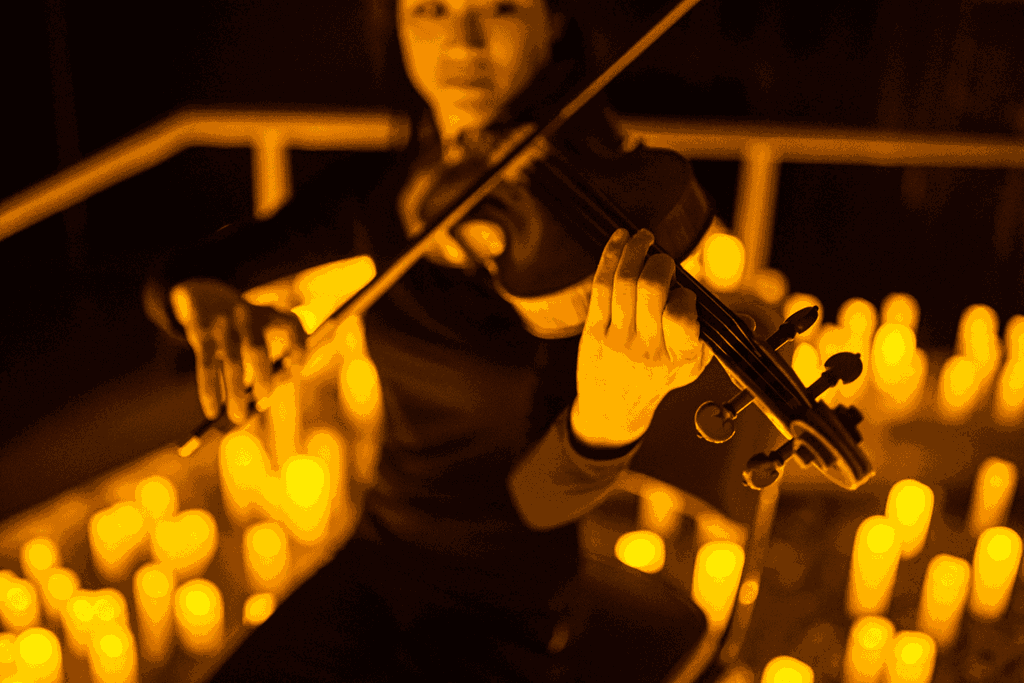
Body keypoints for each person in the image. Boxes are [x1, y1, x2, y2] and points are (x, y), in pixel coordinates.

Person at [144, 0, 719, 680]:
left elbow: (542, 502)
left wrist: (613, 414)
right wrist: (208, 307)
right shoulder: (385, 193)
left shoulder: (591, 232)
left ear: (555, 19)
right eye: (432, 8)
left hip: (509, 606)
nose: (463, 42)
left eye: (500, 6)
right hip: (378, 555)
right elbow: (182, 276)